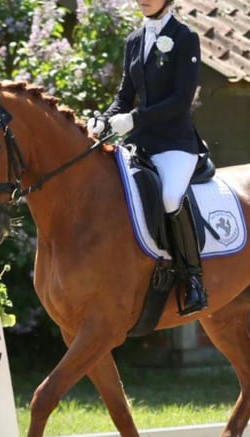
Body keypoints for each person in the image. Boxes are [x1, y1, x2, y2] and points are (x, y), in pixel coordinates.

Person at [87, 0, 207, 316]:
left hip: (176, 144)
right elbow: (124, 96)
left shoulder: (184, 38)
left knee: (169, 198)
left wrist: (136, 119)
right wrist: (105, 118)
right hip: (140, 144)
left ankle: (194, 279)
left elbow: (181, 100)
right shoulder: (134, 41)